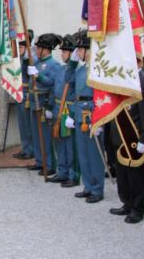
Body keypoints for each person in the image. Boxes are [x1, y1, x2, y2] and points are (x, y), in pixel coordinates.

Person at [109, 53, 144, 224]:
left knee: (136, 175)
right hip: (119, 133)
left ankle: (138, 208)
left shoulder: (141, 80)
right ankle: (127, 202)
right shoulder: (121, 78)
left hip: (134, 135)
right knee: (122, 173)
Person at [66, 30, 105, 203]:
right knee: (83, 154)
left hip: (93, 114)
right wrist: (72, 63)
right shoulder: (80, 70)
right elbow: (69, 82)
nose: (78, 53)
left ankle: (97, 189)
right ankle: (88, 186)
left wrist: (100, 119)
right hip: (80, 114)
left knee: (94, 154)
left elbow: (102, 96)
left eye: (80, 50)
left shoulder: (99, 69)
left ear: (89, 50)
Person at [26, 33, 62, 176]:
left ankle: (49, 164)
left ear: (46, 49)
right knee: (36, 134)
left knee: (46, 136)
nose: (36, 50)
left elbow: (53, 84)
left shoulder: (54, 65)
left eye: (39, 48)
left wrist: (39, 76)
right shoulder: (36, 63)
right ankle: (40, 161)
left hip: (44, 101)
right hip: (34, 101)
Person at [47, 34, 79, 186]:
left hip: (69, 109)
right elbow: (54, 88)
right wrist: (49, 107)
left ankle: (73, 174)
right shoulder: (60, 69)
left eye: (65, 52)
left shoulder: (76, 70)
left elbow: (78, 94)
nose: (62, 54)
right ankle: (62, 171)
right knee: (59, 142)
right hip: (57, 108)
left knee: (70, 145)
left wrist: (73, 113)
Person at [13, 29, 35, 160]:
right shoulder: (19, 59)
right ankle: (25, 147)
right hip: (19, 92)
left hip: (26, 94)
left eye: (21, 47)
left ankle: (31, 149)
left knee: (28, 124)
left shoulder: (30, 58)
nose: (19, 49)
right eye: (18, 47)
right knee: (22, 124)